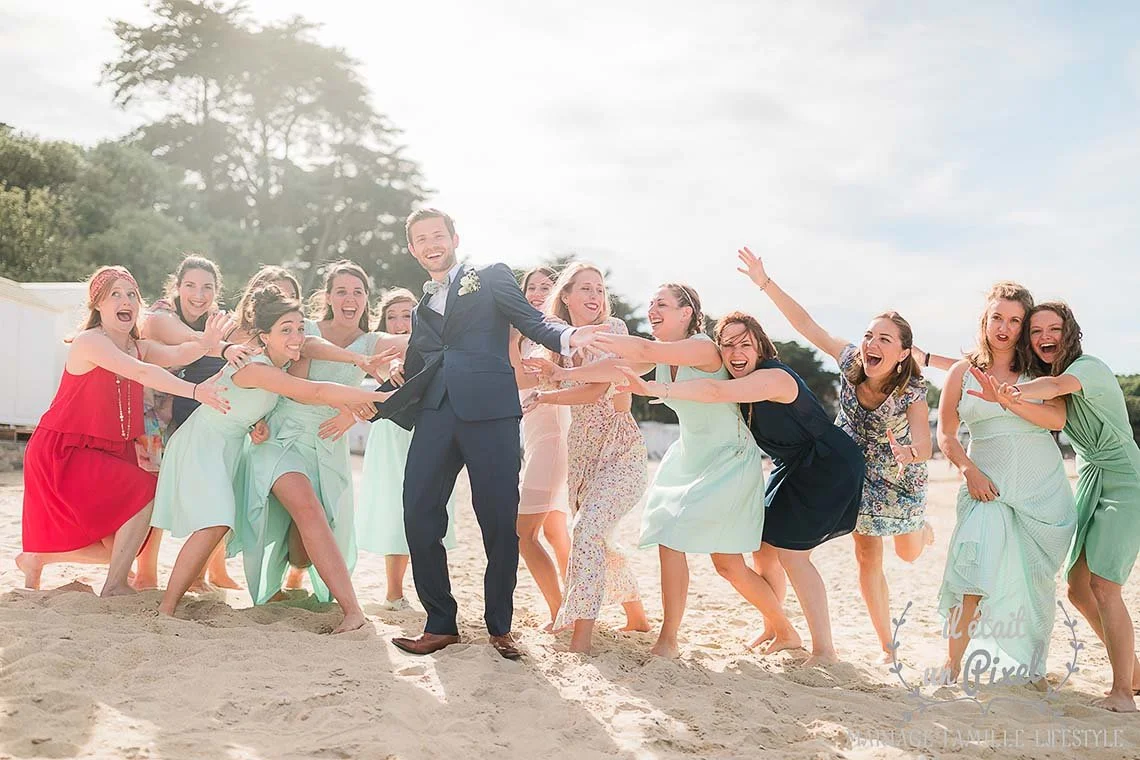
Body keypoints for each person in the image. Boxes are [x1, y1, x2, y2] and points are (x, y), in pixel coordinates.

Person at [376, 209, 606, 660]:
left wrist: (570, 336)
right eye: (421, 239)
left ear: (454, 238)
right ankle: (439, 622)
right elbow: (421, 365)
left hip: (492, 415)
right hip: (436, 415)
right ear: (412, 248)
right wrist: (379, 393)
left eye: (438, 235)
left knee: (499, 523)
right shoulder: (422, 306)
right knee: (418, 511)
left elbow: (532, 321)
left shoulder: (491, 275)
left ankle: (499, 625)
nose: (431, 244)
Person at [616, 310, 866, 666]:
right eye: (727, 344)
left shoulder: (774, 378)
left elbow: (714, 390)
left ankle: (825, 650)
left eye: (745, 344)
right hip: (792, 466)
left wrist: (656, 388)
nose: (735, 351)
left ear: (761, 346)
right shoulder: (745, 383)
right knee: (763, 550)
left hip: (828, 465)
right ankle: (778, 628)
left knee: (793, 556)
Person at [153, 285, 396, 633]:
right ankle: (166, 608)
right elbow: (314, 392)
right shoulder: (255, 366)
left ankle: (171, 604)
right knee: (217, 521)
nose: (297, 337)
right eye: (286, 330)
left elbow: (262, 398)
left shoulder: (279, 361)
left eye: (300, 328)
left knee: (225, 522)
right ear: (263, 337)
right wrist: (381, 397)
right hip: (203, 443)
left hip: (232, 446)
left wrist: (258, 424)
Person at [735, 247, 934, 662]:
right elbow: (806, 324)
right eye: (868, 335)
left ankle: (923, 530)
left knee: (909, 552)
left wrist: (908, 452)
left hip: (899, 474)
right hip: (848, 467)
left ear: (902, 354)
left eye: (884, 339)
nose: (871, 344)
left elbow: (924, 445)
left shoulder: (912, 391)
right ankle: (887, 645)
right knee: (867, 555)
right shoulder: (850, 362)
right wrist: (765, 283)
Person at [578, 283, 790, 659]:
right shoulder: (661, 355)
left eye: (661, 304)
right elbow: (617, 368)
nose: (651, 310)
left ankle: (784, 630)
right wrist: (558, 370)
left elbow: (641, 349)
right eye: (650, 304)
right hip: (689, 457)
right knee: (671, 539)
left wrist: (593, 335)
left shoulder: (702, 347)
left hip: (729, 457)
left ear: (686, 312)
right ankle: (670, 638)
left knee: (727, 564)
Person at [18, 266, 228, 595]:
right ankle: (115, 585)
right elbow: (142, 373)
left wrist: (206, 342)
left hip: (107, 449)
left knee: (118, 546)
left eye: (131, 294)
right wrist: (196, 391)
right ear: (97, 305)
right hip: (66, 449)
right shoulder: (90, 342)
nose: (125, 300)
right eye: (114, 294)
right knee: (146, 491)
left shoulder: (137, 345)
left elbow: (176, 354)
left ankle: (36, 558)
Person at [982, 302, 1140, 712]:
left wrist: (1014, 392)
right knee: (1078, 588)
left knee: (1105, 586)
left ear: (1069, 332)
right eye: (1036, 331)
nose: (1045, 336)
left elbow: (1051, 391)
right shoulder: (1045, 374)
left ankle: (1123, 692)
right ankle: (1135, 673)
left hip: (1125, 478)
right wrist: (927, 359)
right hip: (1091, 475)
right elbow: (989, 370)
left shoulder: (1087, 368)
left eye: (1054, 328)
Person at [241, 261, 408, 605]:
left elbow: (404, 357)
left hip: (330, 440)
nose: (350, 299)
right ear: (328, 297)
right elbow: (298, 376)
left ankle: (297, 573)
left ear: (366, 300)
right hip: (287, 429)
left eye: (358, 292)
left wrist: (357, 414)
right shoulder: (306, 328)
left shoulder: (373, 341)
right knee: (284, 513)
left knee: (317, 530)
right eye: (342, 291)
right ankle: (269, 588)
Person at [936, 282, 1076, 686]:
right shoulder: (962, 372)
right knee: (974, 573)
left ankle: (1031, 667)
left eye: (1015, 320)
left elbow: (1057, 420)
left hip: (1041, 485)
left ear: (1024, 326)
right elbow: (947, 434)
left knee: (1035, 579)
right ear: (985, 320)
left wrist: (1010, 399)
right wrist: (969, 471)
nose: (1004, 327)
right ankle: (952, 664)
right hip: (987, 485)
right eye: (997, 317)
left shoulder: (1041, 373)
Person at [521, 263, 651, 654]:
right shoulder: (557, 343)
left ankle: (581, 637)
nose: (594, 296)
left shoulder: (614, 331)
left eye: (599, 289)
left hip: (621, 449)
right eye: (585, 289)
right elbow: (553, 384)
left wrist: (552, 385)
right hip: (582, 453)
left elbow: (597, 386)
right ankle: (638, 618)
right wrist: (548, 381)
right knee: (599, 538)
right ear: (566, 296)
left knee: (587, 531)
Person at [135, 254, 250, 592]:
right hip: (154, 413)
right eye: (190, 286)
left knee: (217, 488)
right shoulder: (160, 315)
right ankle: (146, 572)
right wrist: (223, 346)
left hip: (198, 410)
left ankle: (210, 571)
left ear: (217, 291)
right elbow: (185, 338)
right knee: (154, 492)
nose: (199, 295)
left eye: (207, 288)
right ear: (177, 286)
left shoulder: (219, 321)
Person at [357, 288, 458, 610]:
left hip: (432, 429)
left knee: (430, 505)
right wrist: (390, 370)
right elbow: (377, 368)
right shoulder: (380, 347)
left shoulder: (437, 343)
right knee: (393, 505)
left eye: (407, 315)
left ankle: (431, 588)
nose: (400, 323)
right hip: (391, 432)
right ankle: (394, 592)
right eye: (392, 316)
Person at [510, 266, 572, 628]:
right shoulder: (522, 337)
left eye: (545, 287)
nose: (536, 293)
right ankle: (577, 605)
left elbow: (517, 376)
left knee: (524, 534)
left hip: (552, 443)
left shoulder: (553, 339)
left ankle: (559, 610)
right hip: (535, 443)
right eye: (530, 288)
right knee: (554, 532)